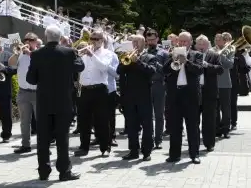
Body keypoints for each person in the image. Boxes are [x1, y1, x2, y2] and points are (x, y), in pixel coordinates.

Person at [26, 25, 85, 182]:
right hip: (63, 102)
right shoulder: (68, 52)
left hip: (44, 102)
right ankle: (64, 171)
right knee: (62, 138)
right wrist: (76, 55)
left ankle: (43, 172)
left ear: (46, 37)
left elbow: (30, 79)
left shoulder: (37, 54)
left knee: (43, 138)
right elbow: (80, 66)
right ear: (60, 38)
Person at [164, 31, 203, 164]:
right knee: (175, 127)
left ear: (191, 42)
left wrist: (186, 62)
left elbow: (199, 70)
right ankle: (174, 155)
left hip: (190, 95)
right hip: (175, 95)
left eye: (185, 41)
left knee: (192, 126)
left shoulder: (196, 54)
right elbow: (164, 71)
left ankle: (194, 154)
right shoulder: (172, 54)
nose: (182, 43)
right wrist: (172, 59)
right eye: (180, 41)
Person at [117, 34, 157, 161]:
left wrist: (137, 62)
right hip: (129, 96)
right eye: (133, 42)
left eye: (137, 42)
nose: (134, 45)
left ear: (144, 43)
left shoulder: (149, 57)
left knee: (147, 125)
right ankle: (133, 150)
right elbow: (119, 71)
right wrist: (126, 59)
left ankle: (147, 151)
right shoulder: (126, 56)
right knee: (132, 125)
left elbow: (151, 71)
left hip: (144, 95)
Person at [74, 30, 112, 158]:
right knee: (83, 120)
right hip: (84, 89)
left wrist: (92, 56)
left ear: (102, 40)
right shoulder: (84, 53)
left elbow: (104, 67)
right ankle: (84, 147)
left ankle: (105, 147)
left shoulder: (107, 53)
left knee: (101, 120)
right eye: (92, 38)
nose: (93, 41)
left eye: (97, 39)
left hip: (100, 89)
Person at [8, 33, 39, 154]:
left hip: (37, 92)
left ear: (35, 42)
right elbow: (10, 63)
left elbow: (40, 62)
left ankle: (43, 146)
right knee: (24, 121)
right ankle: (25, 145)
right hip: (23, 92)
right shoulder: (20, 53)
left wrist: (29, 53)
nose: (27, 42)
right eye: (26, 40)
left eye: (31, 40)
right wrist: (17, 53)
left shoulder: (39, 53)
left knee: (41, 121)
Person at [195, 35, 223, 152]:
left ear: (208, 44)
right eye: (199, 44)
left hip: (209, 92)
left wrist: (208, 65)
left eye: (203, 44)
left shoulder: (214, 55)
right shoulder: (192, 55)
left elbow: (220, 69)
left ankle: (209, 143)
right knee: (194, 120)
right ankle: (194, 144)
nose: (201, 46)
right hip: (195, 92)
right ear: (196, 45)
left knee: (209, 120)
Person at [0, 34, 17, 142]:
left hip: (4, 89)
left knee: (6, 113)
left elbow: (14, 70)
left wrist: (5, 68)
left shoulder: (8, 55)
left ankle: (6, 134)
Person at [146, 29, 168, 150]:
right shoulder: (143, 52)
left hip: (159, 85)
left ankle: (158, 139)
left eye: (153, 39)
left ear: (157, 39)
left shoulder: (163, 53)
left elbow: (167, 70)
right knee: (147, 114)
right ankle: (148, 138)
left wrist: (156, 63)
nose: (150, 42)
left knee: (159, 114)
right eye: (148, 40)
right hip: (146, 85)